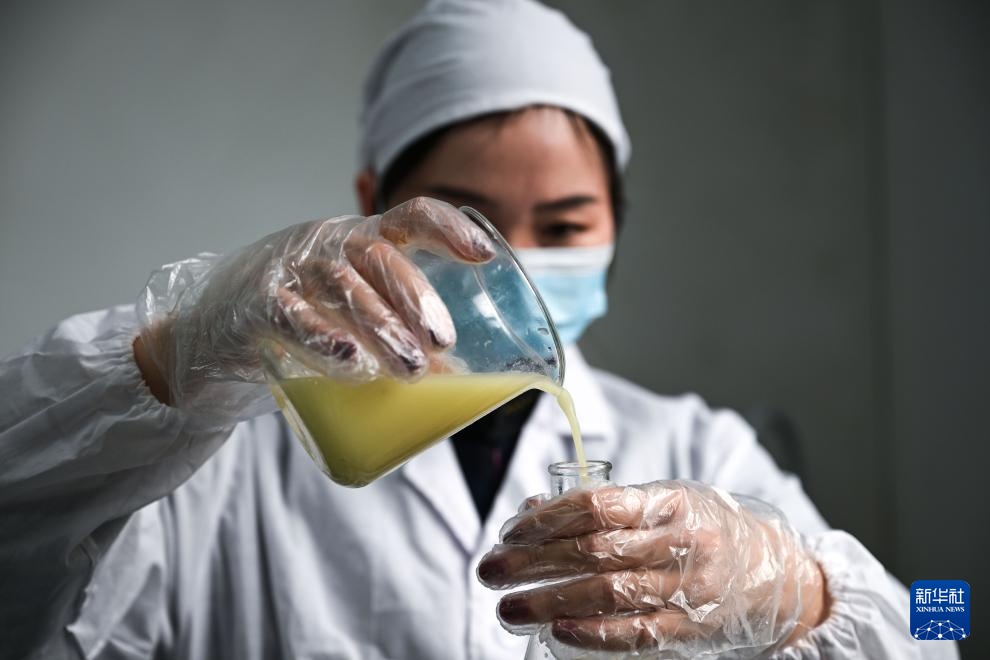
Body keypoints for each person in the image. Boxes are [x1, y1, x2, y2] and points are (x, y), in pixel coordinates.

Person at [0, 1, 956, 659]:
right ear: (377, 205)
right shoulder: (228, 468)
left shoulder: (698, 451)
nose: (518, 265)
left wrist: (797, 591)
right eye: (470, 223)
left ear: (618, 222)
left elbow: (939, 625)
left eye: (566, 226)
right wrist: (174, 356)